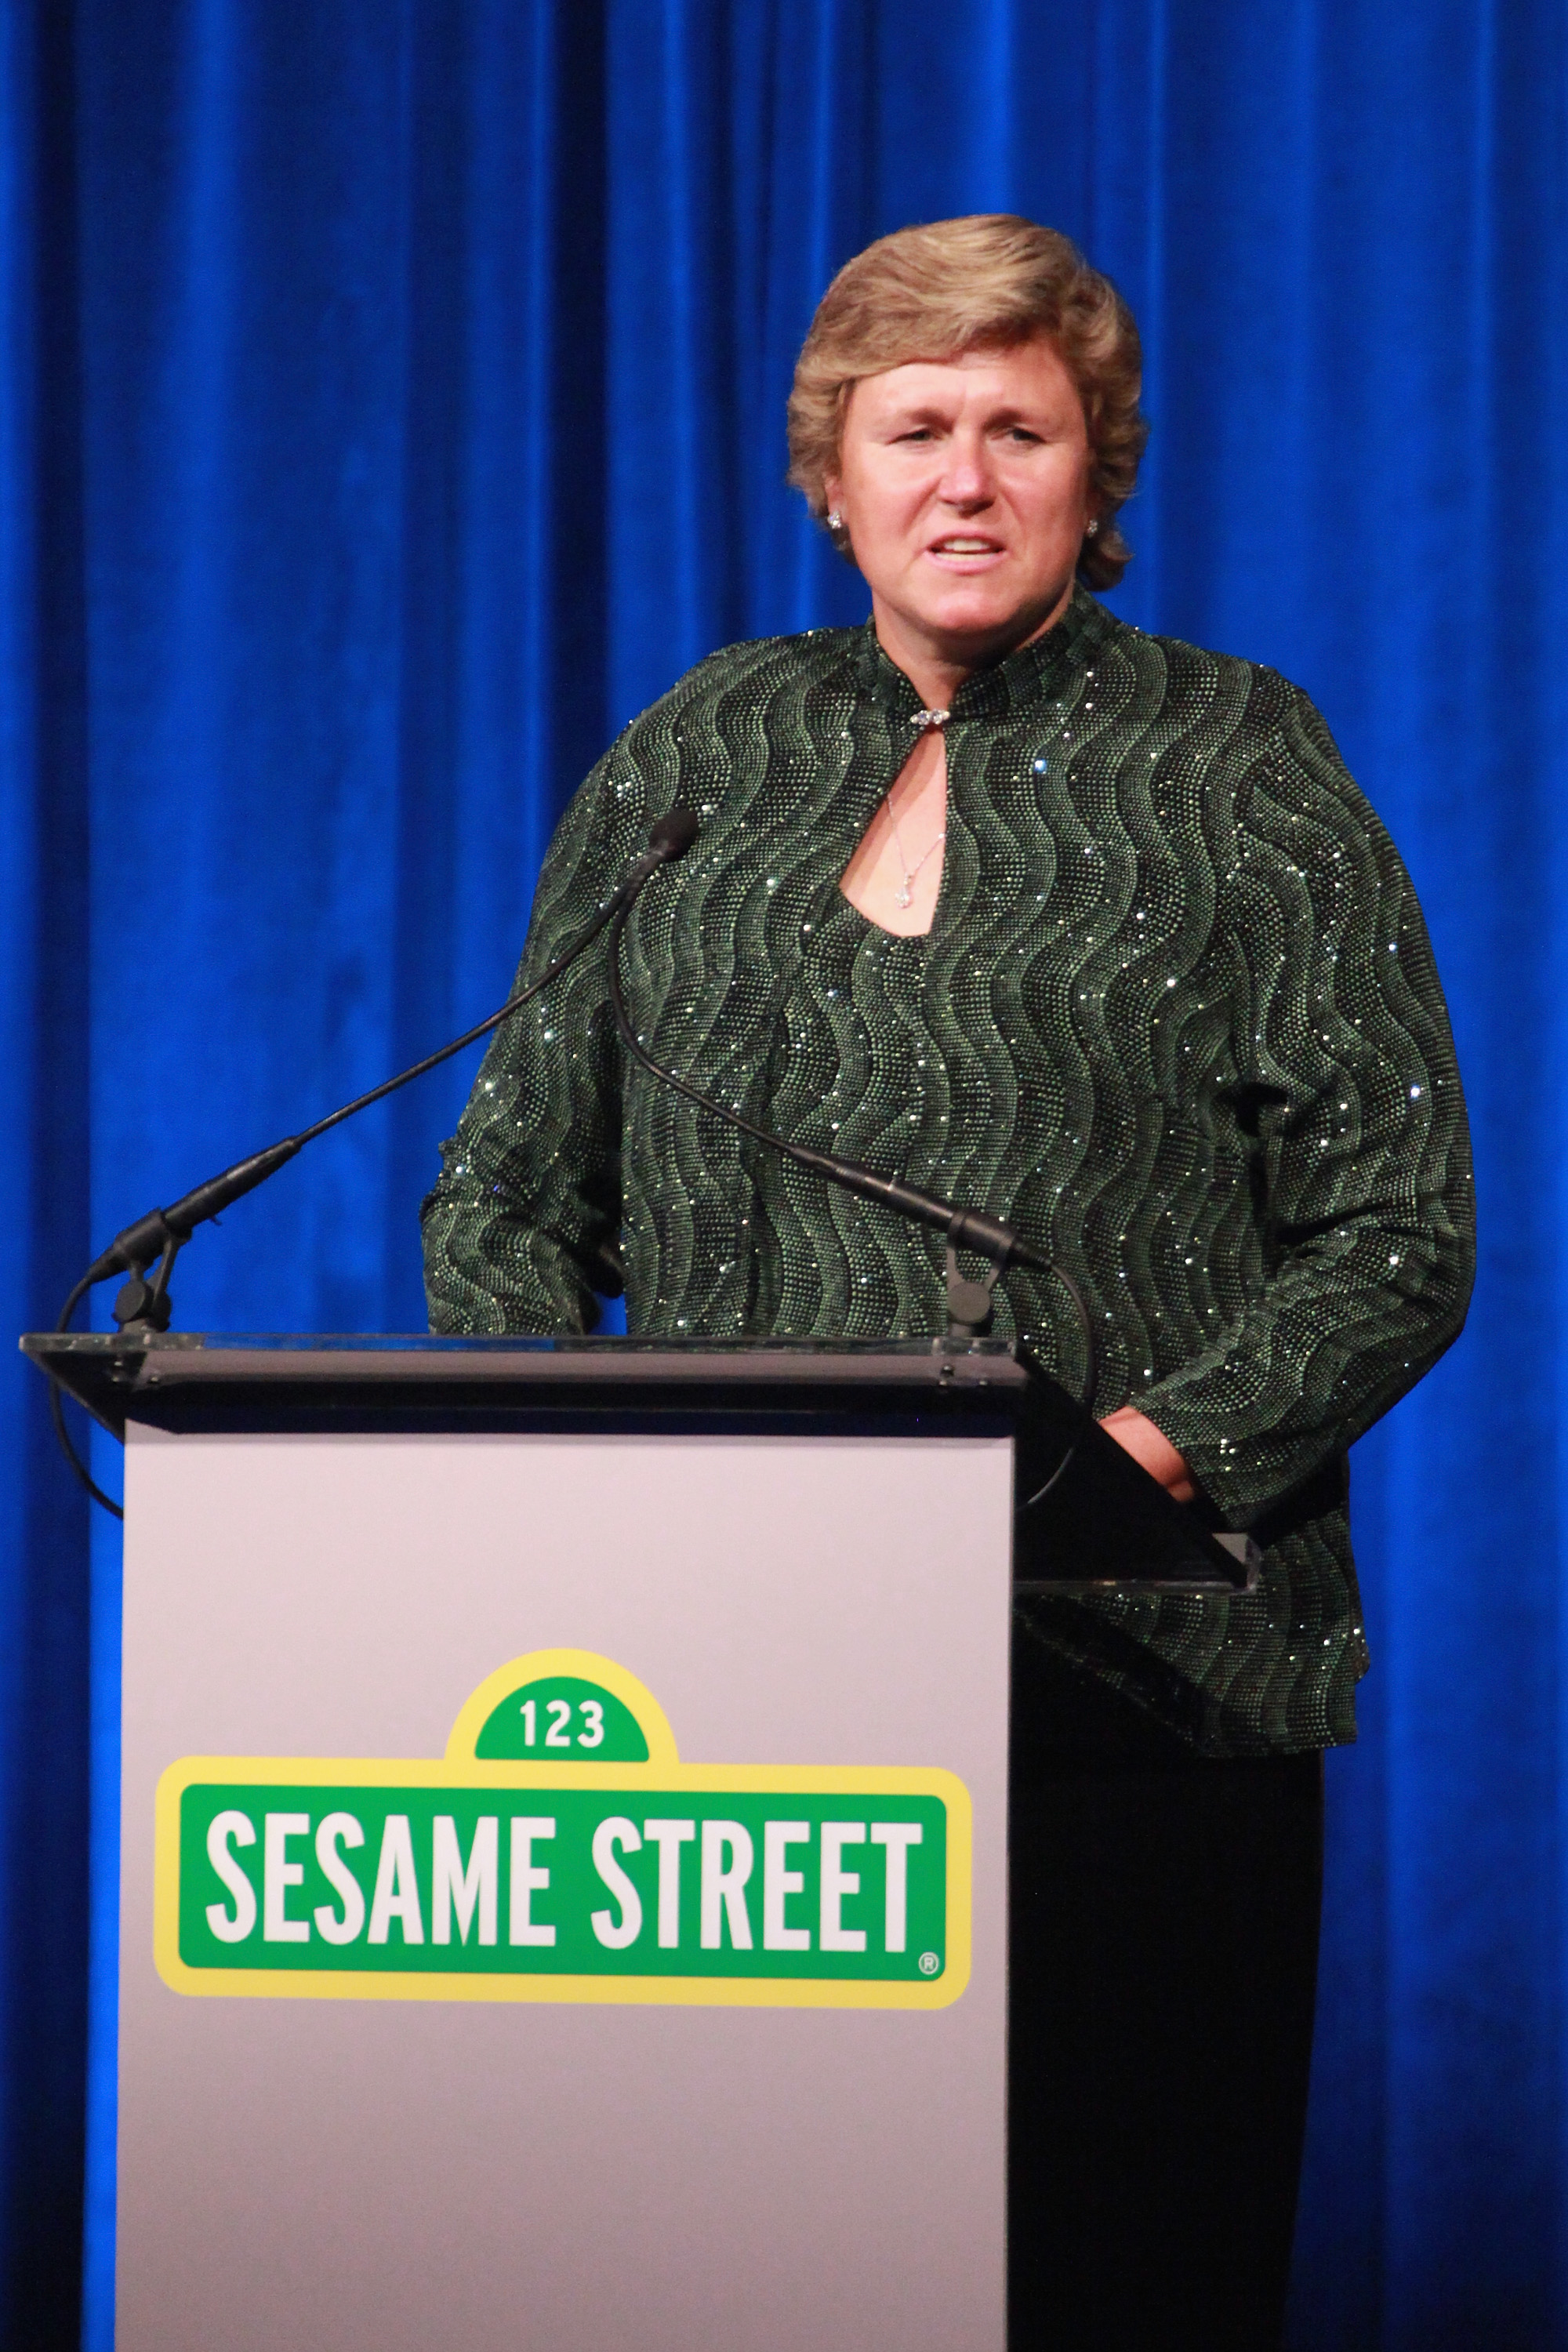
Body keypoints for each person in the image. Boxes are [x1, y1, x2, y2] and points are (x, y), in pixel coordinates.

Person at [422, 215, 1474, 2349]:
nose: (965, 478)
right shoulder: (700, 754)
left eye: (1022, 428)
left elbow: (1398, 1230)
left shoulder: (1241, 762)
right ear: (832, 473)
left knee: (1113, 2279)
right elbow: (508, 1193)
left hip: (1133, 1699)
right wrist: (568, 1483)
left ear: (1098, 480)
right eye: (915, 429)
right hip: (737, 1716)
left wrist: (1145, 1457)